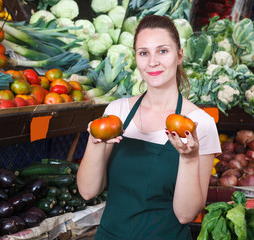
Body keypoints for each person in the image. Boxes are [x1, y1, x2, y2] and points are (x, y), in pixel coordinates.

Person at [77, 15, 221, 240]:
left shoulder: (199, 124)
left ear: (179, 55)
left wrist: (189, 158)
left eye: (163, 51)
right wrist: (95, 144)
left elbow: (186, 215)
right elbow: (87, 191)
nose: (152, 61)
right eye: (144, 53)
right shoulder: (116, 112)